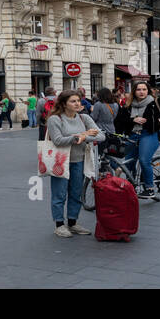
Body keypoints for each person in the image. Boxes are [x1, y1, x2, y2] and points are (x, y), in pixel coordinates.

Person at [44, 92, 99, 237]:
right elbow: (58, 140)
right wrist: (80, 136)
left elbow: (100, 135)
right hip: (60, 161)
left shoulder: (84, 117)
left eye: (78, 101)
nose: (77, 104)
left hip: (79, 160)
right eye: (73, 101)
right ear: (63, 103)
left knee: (76, 193)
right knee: (59, 194)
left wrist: (84, 136)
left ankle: (73, 223)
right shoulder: (55, 119)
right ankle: (59, 224)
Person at [114, 80, 160, 198]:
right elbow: (119, 121)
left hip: (149, 134)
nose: (141, 92)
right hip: (133, 135)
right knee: (129, 162)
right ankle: (131, 187)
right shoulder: (128, 105)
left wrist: (158, 119)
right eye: (139, 89)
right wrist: (133, 119)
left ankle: (149, 188)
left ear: (148, 91)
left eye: (144, 89)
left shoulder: (154, 103)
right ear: (134, 91)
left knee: (143, 160)